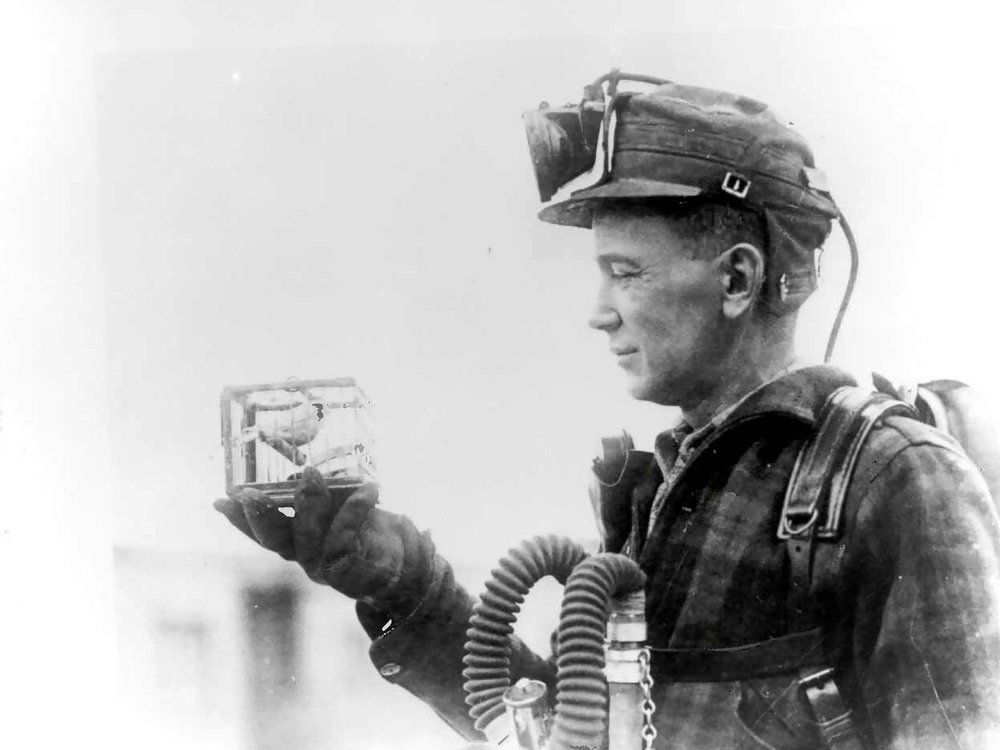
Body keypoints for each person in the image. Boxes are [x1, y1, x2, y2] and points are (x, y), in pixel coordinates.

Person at [214, 78, 1000, 748]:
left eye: (625, 273)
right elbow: (568, 726)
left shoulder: (898, 481)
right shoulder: (663, 490)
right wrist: (400, 581)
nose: (600, 313)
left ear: (737, 281)